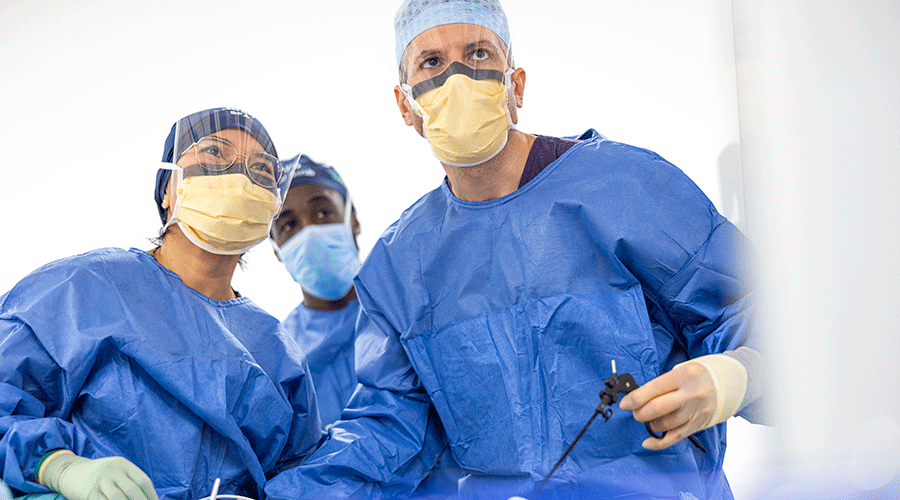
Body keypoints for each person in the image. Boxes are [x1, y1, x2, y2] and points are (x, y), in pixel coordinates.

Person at [265, 1, 767, 499]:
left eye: (478, 53)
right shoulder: (401, 269)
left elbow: (758, 311)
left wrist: (735, 376)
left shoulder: (626, 186)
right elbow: (389, 432)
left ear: (516, 85)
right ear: (405, 105)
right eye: (432, 62)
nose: (457, 78)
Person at [0, 108, 322, 500]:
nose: (240, 177)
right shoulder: (86, 288)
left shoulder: (277, 352)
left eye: (260, 169)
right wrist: (57, 466)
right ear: (168, 189)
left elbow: (302, 476)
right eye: (215, 153)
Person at [270, 154, 362, 429]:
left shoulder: (406, 308)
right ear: (276, 249)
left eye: (323, 213)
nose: (309, 231)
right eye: (289, 225)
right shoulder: (281, 359)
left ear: (353, 219)